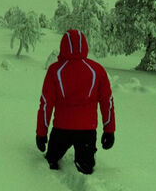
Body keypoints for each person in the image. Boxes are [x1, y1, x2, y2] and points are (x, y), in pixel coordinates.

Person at [36, 29, 116, 174]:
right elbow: (107, 102)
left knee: (51, 162)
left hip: (61, 130)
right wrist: (109, 130)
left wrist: (41, 133)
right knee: (86, 167)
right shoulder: (97, 70)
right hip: (87, 130)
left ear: (63, 45)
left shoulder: (55, 70)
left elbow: (46, 104)